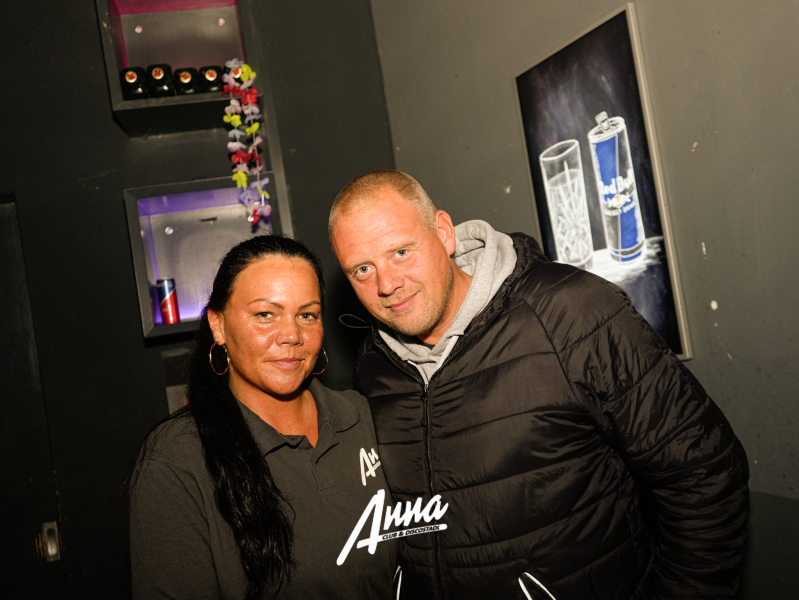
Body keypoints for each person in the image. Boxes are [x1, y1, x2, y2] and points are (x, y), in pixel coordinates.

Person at [328, 170, 749, 600]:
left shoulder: (572, 313)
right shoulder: (373, 365)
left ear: (444, 233)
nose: (386, 284)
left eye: (400, 252)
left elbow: (705, 474)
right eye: (362, 269)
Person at [129, 236, 397, 600]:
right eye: (265, 314)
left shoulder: (361, 416)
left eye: (307, 315)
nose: (292, 335)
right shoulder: (177, 458)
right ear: (218, 325)